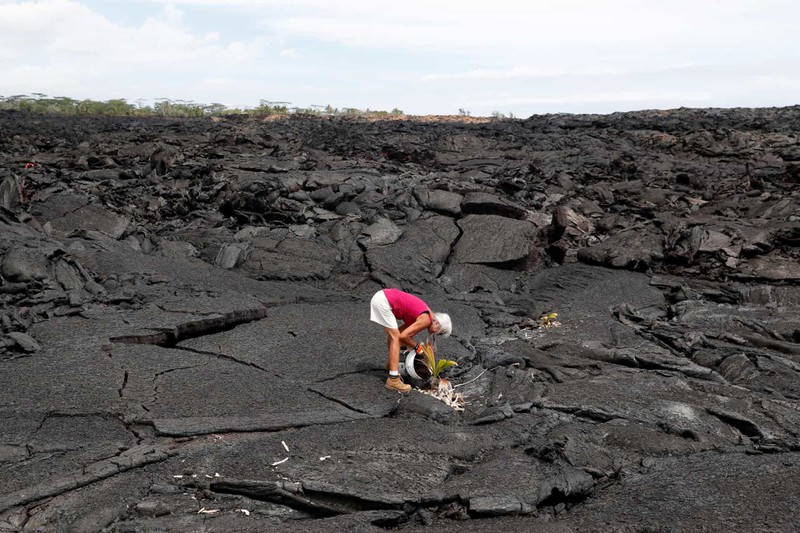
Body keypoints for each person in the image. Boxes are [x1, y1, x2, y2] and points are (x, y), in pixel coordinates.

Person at [370, 288, 452, 393]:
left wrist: (405, 350)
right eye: (439, 332)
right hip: (384, 301)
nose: (435, 334)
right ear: (437, 323)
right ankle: (393, 380)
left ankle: (392, 365)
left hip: (381, 297)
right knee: (395, 337)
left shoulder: (425, 314)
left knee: (395, 334)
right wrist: (417, 348)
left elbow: (402, 333)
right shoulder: (427, 320)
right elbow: (403, 336)